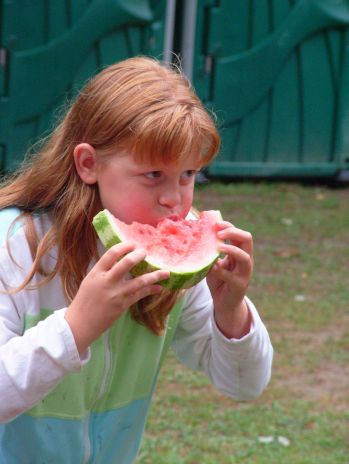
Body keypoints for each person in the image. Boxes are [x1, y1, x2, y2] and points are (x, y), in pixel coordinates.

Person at [0, 56, 273, 463]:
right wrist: (76, 328)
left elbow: (245, 385)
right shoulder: (16, 245)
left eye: (188, 174)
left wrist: (231, 310)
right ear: (89, 164)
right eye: (153, 176)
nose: (174, 200)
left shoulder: (179, 262)